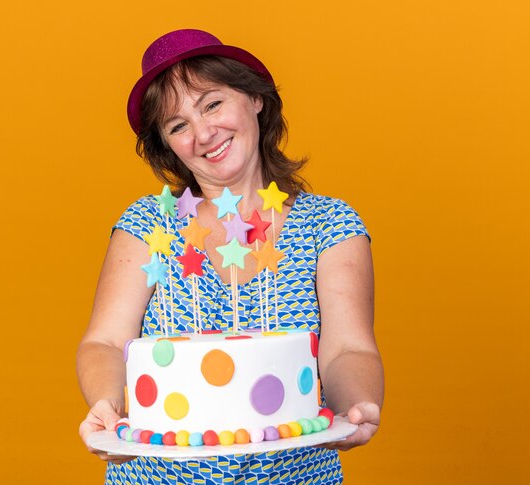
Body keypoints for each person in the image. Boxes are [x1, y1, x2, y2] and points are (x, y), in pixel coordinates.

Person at [77, 29, 383, 485]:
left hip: (298, 477)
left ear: (255, 98)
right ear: (167, 145)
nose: (203, 134)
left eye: (212, 104)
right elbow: (104, 342)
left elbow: (348, 348)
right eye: (177, 125)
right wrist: (107, 405)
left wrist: (357, 405)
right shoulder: (150, 224)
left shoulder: (328, 224)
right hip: (157, 477)